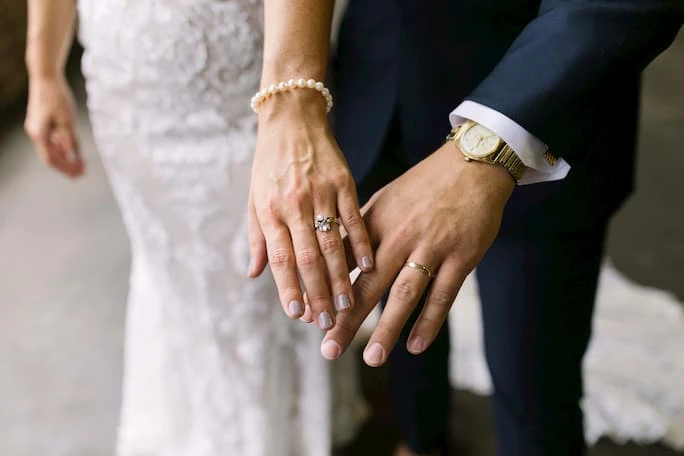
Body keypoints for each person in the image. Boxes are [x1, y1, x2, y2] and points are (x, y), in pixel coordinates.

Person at [247, 1, 683, 456]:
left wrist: (492, 143)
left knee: (532, 381)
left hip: (546, 90)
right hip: (376, 76)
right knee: (399, 323)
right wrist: (291, 99)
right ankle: (420, 440)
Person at [23, 0, 366, 454]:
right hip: (122, 83)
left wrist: (294, 101)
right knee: (170, 270)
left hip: (242, 79)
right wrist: (43, 68)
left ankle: (277, 432)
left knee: (261, 280)